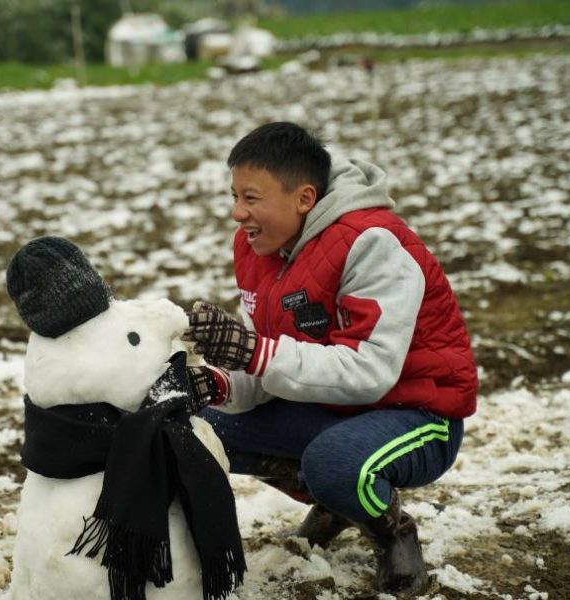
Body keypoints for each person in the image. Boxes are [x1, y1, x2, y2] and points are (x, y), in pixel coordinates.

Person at [183, 122, 478, 597]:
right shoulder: (258, 247)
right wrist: (218, 383)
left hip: (418, 413)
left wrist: (252, 351)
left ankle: (391, 533)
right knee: (199, 427)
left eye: (251, 198)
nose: (238, 213)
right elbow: (264, 365)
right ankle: (338, 499)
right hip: (333, 408)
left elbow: (369, 373)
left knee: (335, 463)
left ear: (304, 198)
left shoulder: (373, 243)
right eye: (234, 195)